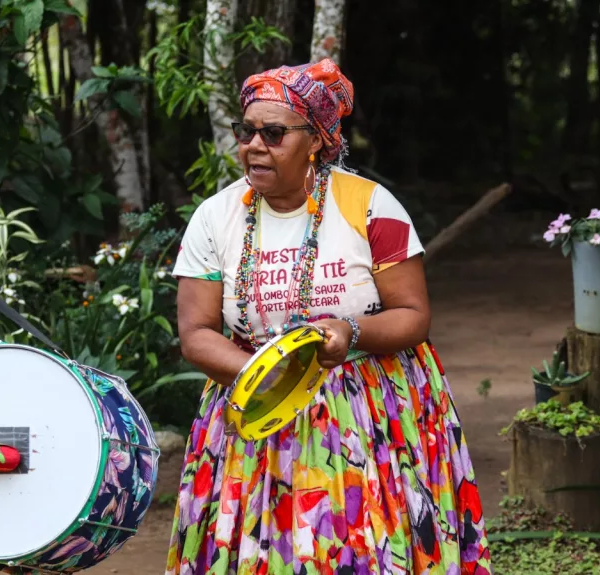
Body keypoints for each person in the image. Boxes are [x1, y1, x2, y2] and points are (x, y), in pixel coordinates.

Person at [168, 58, 493, 574]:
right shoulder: (216, 216)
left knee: (359, 546)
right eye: (246, 131)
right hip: (255, 405)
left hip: (368, 409)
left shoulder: (371, 207)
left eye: (274, 133)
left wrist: (352, 330)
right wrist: (264, 373)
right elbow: (196, 332)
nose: (254, 145)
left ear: (316, 140)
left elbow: (413, 314)